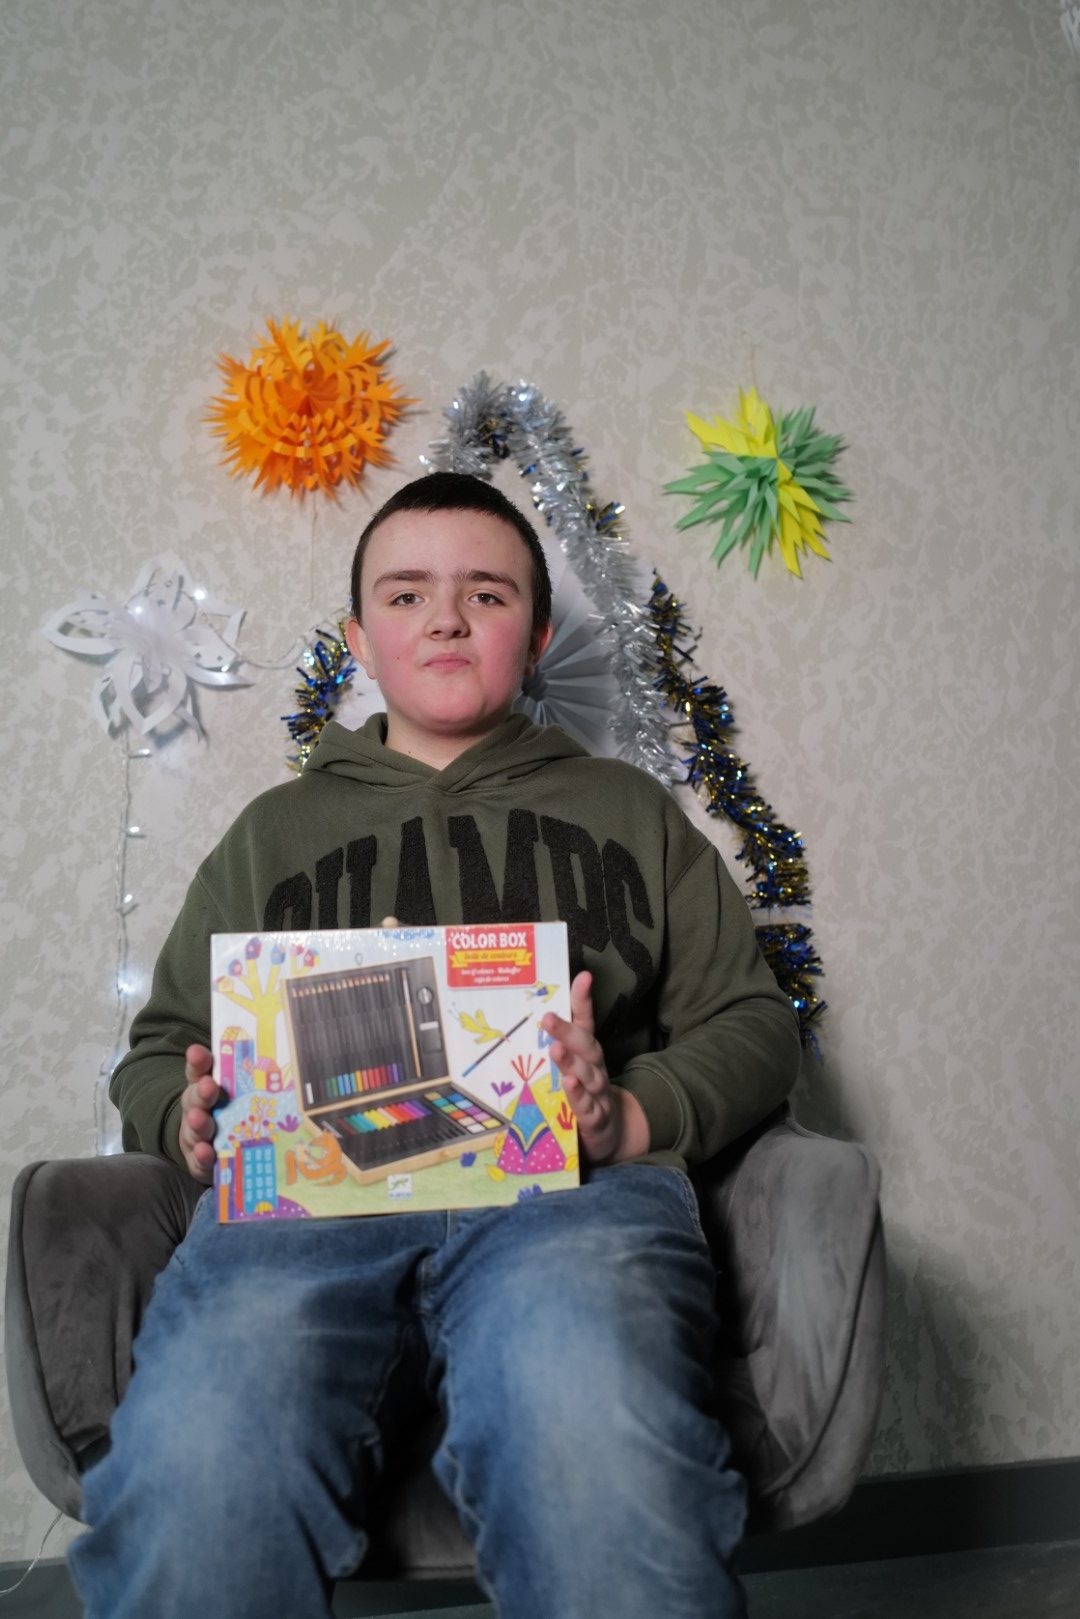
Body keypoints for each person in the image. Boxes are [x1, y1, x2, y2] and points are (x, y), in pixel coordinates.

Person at [68, 471, 802, 1619]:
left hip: (568, 1199)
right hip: (305, 1211)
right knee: (202, 1448)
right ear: (360, 636)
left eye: (486, 594)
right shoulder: (273, 832)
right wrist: (188, 1112)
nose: (447, 618)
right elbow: (161, 1047)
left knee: (592, 1420)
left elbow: (754, 1024)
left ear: (538, 633)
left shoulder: (629, 809)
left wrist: (627, 1113)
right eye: (406, 594)